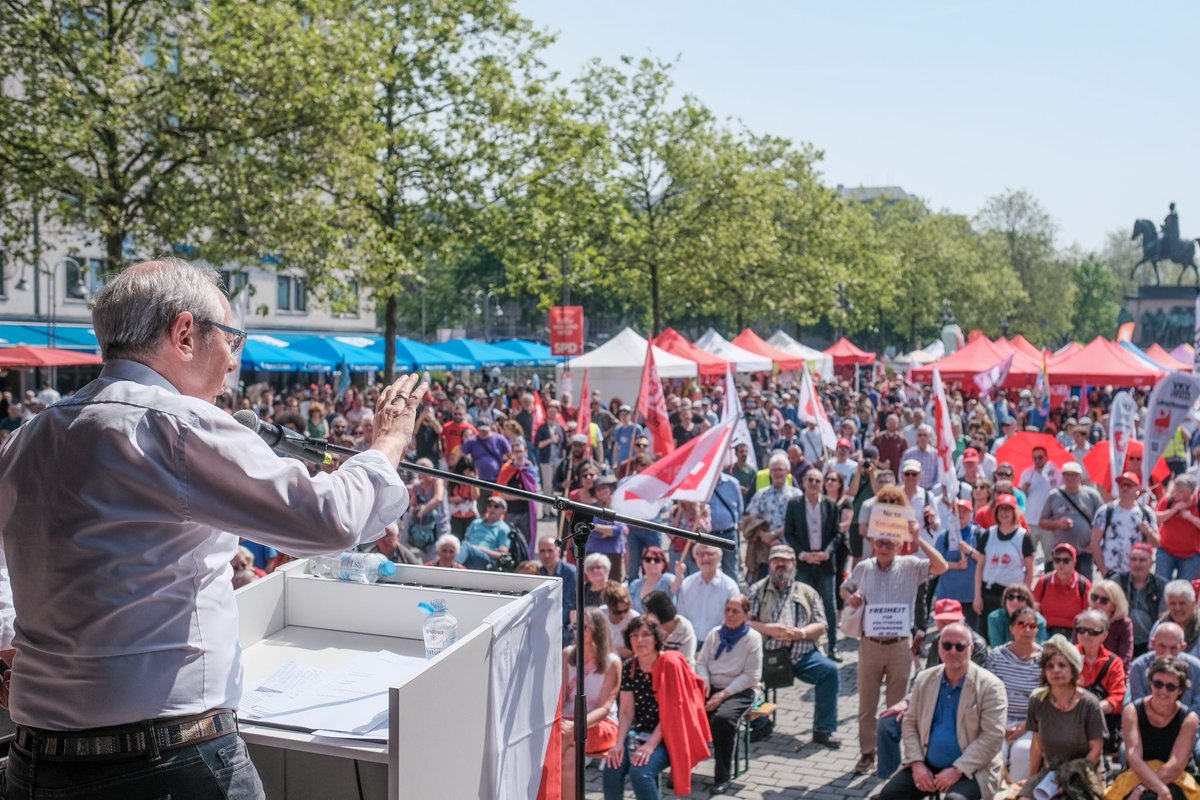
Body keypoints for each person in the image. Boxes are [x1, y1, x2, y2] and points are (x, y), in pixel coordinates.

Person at [0, 259, 428, 800]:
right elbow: (329, 519)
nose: (234, 364)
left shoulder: (29, 437)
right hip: (165, 762)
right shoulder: (175, 424)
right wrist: (387, 444)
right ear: (184, 334)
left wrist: (10, 639)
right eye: (233, 340)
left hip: (37, 763)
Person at [842, 485, 950, 776]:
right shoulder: (864, 567)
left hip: (901, 646)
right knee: (866, 705)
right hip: (870, 644)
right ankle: (867, 753)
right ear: (873, 543)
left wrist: (920, 539)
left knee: (896, 707)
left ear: (901, 545)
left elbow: (941, 567)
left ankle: (892, 759)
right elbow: (845, 587)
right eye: (881, 541)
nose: (885, 545)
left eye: (891, 541)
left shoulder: (912, 565)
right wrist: (849, 597)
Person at [877, 622, 1007, 800]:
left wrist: (958, 770)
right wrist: (916, 763)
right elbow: (910, 723)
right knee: (889, 795)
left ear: (971, 649)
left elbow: (992, 737)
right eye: (947, 645)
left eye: (960, 646)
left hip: (973, 768)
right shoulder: (924, 679)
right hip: (926, 764)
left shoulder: (991, 686)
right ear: (939, 647)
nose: (953, 651)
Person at [602, 617, 710, 800]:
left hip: (669, 735)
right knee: (612, 766)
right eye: (634, 635)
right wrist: (618, 743)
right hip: (640, 732)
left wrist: (650, 746)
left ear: (656, 638)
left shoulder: (669, 664)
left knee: (640, 772)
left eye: (645, 635)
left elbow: (673, 713)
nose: (639, 640)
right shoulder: (629, 667)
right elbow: (627, 711)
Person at [748, 545, 842, 749]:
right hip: (767, 655)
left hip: (802, 656)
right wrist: (769, 629)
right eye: (775, 561)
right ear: (770, 564)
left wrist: (801, 633)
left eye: (785, 561)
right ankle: (761, 721)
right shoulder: (757, 590)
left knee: (830, 671)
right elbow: (744, 624)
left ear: (794, 565)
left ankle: (823, 730)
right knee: (746, 677)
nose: (780, 565)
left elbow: (822, 625)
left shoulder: (808, 592)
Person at [1019, 635, 1106, 798]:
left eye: (1062, 665)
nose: (1056, 670)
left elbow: (1096, 751)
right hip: (1050, 774)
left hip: (1082, 774)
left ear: (1073, 670)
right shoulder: (1038, 701)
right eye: (1050, 666)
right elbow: (1036, 746)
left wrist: (1069, 781)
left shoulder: (1090, 704)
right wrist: (1031, 780)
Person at [695, 595, 762, 795]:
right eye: (728, 610)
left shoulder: (753, 638)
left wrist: (723, 694)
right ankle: (681, 766)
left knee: (723, 720)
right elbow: (701, 662)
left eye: (736, 611)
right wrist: (705, 680)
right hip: (712, 686)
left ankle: (722, 776)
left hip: (741, 689)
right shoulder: (715, 633)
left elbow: (752, 676)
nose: (730, 615)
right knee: (687, 711)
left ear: (746, 614)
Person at [1109, 656, 1200, 800]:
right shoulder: (1132, 711)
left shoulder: (1189, 719)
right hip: (1137, 774)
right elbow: (1134, 757)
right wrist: (1157, 788)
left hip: (1175, 777)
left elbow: (1175, 765)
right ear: (1150, 683)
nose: (1163, 691)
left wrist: (1145, 788)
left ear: (1181, 690)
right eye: (1158, 684)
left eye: (1170, 686)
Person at [560, 607, 620, 800]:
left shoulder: (612, 662)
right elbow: (560, 697)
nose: (577, 631)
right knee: (568, 757)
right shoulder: (567, 654)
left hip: (600, 725)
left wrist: (575, 725)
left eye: (584, 627)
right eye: (575, 626)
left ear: (598, 630)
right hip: (568, 724)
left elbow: (605, 708)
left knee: (560, 741)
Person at [784, 466, 842, 661]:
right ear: (803, 482)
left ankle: (833, 646)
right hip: (804, 563)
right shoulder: (794, 504)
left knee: (828, 606)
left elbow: (837, 534)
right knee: (803, 605)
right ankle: (806, 647)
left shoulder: (830, 505)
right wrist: (802, 554)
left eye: (818, 481)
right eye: (810, 480)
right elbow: (788, 533)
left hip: (825, 563)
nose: (814, 484)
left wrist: (826, 553)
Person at [986, 606, 1044, 783]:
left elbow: (1046, 701)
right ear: (1011, 628)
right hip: (998, 721)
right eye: (1021, 624)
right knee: (995, 752)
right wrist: (999, 724)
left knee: (1024, 751)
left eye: (1032, 625)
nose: (1027, 629)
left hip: (1030, 723)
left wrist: (1027, 724)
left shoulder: (1045, 660)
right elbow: (987, 696)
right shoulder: (996, 656)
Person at [967, 493, 1034, 625]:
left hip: (1013, 596)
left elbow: (1030, 571)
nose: (1004, 513)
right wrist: (977, 596)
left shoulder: (1023, 537)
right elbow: (980, 566)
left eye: (1008, 509)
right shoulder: (989, 534)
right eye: (1001, 509)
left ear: (1014, 512)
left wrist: (1023, 597)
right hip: (989, 593)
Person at [1039, 461, 1103, 579]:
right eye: (1067, 475)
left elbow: (1102, 522)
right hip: (1061, 553)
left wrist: (1094, 545)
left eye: (1073, 475)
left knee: (1084, 586)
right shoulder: (1054, 495)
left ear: (1080, 476)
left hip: (1084, 551)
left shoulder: (1092, 495)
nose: (1070, 478)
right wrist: (1057, 524)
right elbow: (1042, 522)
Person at [1076, 608, 1127, 751]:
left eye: (1093, 631)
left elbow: (1117, 698)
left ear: (1104, 636)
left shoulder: (1114, 662)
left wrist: (1089, 711)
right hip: (1069, 720)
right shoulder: (1067, 656)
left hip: (1101, 722)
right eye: (1081, 630)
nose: (1086, 635)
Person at [1092, 471, 1159, 577]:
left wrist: (1148, 532)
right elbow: (1095, 542)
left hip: (1137, 574)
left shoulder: (1146, 513)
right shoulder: (1105, 511)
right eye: (1122, 485)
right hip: (1112, 572)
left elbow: (1157, 543)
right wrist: (1103, 569)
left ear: (1137, 488)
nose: (1124, 488)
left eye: (1129, 485)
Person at [673, 543, 739, 645]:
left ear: (719, 558)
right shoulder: (687, 584)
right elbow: (682, 617)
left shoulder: (730, 587)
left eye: (710, 554)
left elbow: (731, 621)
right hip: (690, 641)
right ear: (695, 558)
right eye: (700, 554)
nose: (705, 558)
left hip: (720, 642)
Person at [935, 500, 982, 631]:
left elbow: (986, 561)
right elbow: (935, 564)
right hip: (948, 596)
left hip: (970, 596)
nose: (960, 515)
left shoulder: (979, 534)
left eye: (964, 512)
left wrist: (969, 551)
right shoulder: (944, 537)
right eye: (957, 511)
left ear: (971, 514)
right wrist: (956, 565)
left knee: (970, 634)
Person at [1115, 543, 1167, 660]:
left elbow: (1162, 618)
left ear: (1151, 563)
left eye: (1142, 560)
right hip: (1121, 640)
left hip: (1148, 642)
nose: (1137, 564)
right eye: (1133, 559)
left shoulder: (1161, 585)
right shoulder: (1117, 581)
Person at [1034, 543, 1091, 637]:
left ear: (1074, 562)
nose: (1061, 564)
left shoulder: (1083, 584)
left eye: (1066, 560)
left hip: (1073, 633)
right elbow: (1034, 611)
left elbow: (1088, 615)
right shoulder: (1043, 581)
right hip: (1046, 632)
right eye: (1057, 560)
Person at [1154, 474, 1200, 582]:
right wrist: (1173, 511)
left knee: (1185, 591)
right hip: (1165, 552)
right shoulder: (1168, 501)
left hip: (1190, 556)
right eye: (1176, 489)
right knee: (1161, 586)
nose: (1177, 493)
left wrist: (1191, 518)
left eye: (1181, 491)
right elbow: (1156, 519)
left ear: (1191, 493)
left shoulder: (1198, 504)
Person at [537, 536, 577, 644]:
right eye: (542, 551)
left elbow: (570, 604)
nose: (546, 555)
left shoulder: (570, 572)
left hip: (565, 626)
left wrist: (551, 625)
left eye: (550, 551)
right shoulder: (539, 573)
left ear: (558, 552)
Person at [984, 583, 1049, 646]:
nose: (1015, 601)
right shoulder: (995, 618)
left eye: (1020, 598)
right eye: (1010, 597)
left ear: (1027, 602)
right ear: (1005, 600)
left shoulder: (1038, 621)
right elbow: (996, 645)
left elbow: (1039, 648)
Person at [1090, 578, 1136, 668]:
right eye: (1094, 597)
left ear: (1114, 606)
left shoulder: (1124, 624)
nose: (1097, 603)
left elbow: (1125, 658)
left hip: (1114, 672)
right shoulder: (1081, 620)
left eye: (1104, 600)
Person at [643, 590, 696, 666]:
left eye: (648, 612)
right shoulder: (650, 627)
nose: (645, 616)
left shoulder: (684, 628)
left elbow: (684, 661)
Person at [456, 496, 511, 569]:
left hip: (486, 559)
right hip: (467, 553)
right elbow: (465, 541)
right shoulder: (475, 522)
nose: (492, 508)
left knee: (466, 546)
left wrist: (480, 549)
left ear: (503, 510)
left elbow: (502, 555)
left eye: (496, 506)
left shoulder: (503, 528)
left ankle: (452, 565)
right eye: (490, 505)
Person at [1160, 580, 1200, 657]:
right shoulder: (1160, 626)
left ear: (1193, 603)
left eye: (1182, 603)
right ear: (1166, 605)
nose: (1177, 608)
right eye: (1172, 603)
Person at [603, 581, 639, 660]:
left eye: (626, 610)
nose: (623, 615)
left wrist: (606, 651)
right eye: (617, 612)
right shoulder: (601, 615)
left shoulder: (634, 617)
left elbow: (631, 651)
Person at [629, 546, 672, 613]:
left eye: (656, 560)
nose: (652, 563)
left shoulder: (667, 579)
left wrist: (679, 574)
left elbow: (676, 585)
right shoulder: (635, 584)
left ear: (663, 564)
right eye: (648, 559)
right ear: (643, 563)